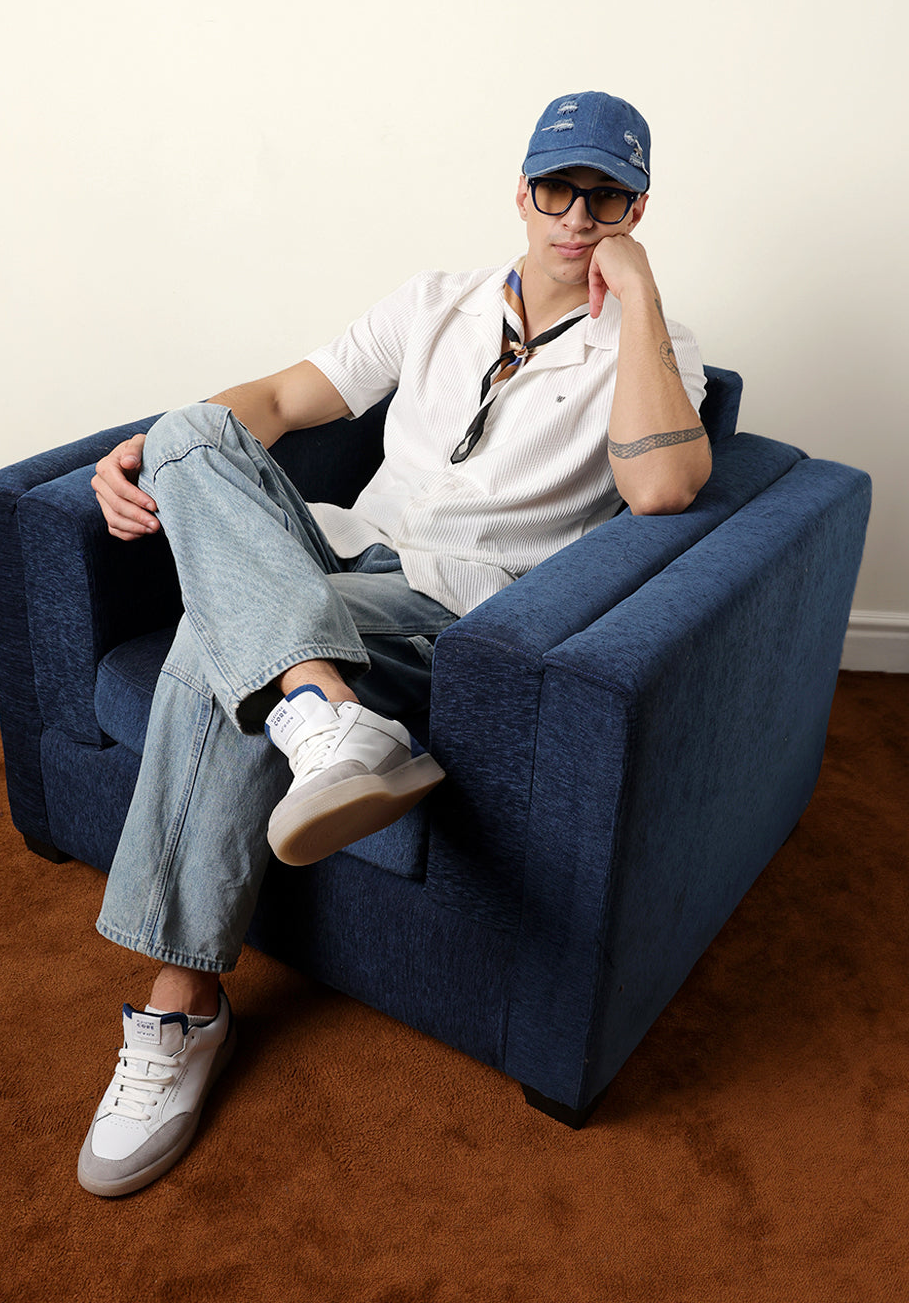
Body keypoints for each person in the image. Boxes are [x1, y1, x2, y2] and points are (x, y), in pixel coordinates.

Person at [77, 91, 711, 1197]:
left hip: (449, 610)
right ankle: (322, 711)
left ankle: (179, 1010)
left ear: (637, 209)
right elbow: (282, 397)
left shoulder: (655, 349)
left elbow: (663, 487)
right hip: (326, 562)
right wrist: (151, 454)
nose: (577, 216)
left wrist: (642, 289)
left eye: (607, 198)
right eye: (558, 188)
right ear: (522, 192)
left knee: (212, 644)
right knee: (190, 430)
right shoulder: (434, 302)